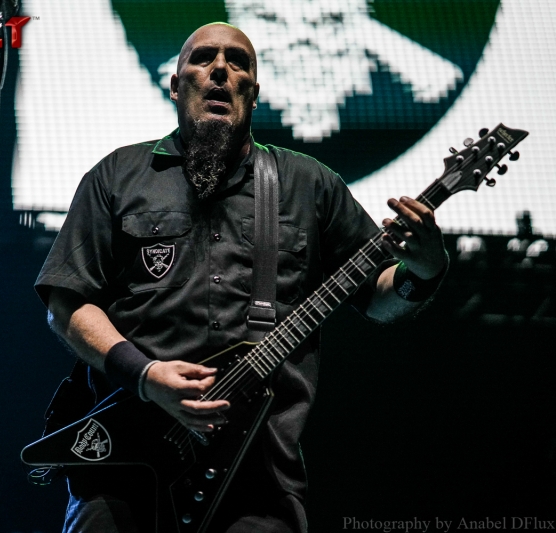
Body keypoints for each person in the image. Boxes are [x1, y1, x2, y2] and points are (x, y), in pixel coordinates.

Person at [33, 22, 448, 533]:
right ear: (176, 85)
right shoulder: (117, 176)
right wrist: (144, 375)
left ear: (253, 91)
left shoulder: (309, 185)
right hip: (125, 469)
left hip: (260, 479)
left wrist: (423, 269)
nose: (220, 70)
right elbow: (67, 303)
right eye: (203, 58)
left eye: (238, 63)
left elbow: (379, 298)